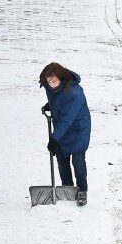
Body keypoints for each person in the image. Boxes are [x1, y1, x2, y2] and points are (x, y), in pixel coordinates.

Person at [39, 62, 92, 207]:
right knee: (62, 161)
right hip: (62, 128)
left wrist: (54, 138)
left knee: (78, 162)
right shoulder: (50, 89)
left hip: (78, 129)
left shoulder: (75, 92)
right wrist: (51, 105)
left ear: (61, 78)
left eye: (54, 80)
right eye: (49, 81)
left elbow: (68, 118)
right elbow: (59, 100)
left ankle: (82, 191)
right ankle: (68, 189)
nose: (51, 84)